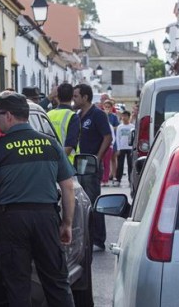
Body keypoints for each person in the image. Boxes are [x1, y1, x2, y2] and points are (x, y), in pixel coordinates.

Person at [0, 92, 76, 307]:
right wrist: (66, 223)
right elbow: (68, 187)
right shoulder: (51, 144)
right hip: (46, 218)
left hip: (13, 221)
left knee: (18, 284)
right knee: (57, 281)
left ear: (9, 116)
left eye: (0, 115)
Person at [73, 83, 112, 252]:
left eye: (76, 96)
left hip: (91, 163)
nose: (74, 99)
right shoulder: (78, 115)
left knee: (93, 201)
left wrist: (98, 157)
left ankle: (98, 239)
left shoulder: (97, 114)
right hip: (79, 163)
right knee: (81, 202)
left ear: (85, 97)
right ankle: (85, 236)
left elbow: (107, 137)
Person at [47, 83, 80, 164]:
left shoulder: (48, 114)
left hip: (49, 163)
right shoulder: (72, 116)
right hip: (67, 165)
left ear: (57, 97)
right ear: (72, 97)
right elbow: (69, 147)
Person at [102, 100, 119, 186]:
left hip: (109, 145)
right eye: (105, 106)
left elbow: (114, 133)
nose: (107, 108)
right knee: (102, 163)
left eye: (109, 107)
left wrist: (111, 143)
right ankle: (103, 178)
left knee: (108, 162)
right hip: (102, 145)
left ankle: (108, 178)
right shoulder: (101, 122)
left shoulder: (113, 118)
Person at [115, 111, 134, 186]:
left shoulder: (132, 126)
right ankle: (118, 179)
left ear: (129, 117)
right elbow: (117, 138)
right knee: (120, 164)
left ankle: (130, 180)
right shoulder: (120, 127)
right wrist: (118, 148)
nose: (124, 118)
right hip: (122, 147)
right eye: (123, 116)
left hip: (130, 147)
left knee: (130, 164)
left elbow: (134, 137)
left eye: (125, 116)